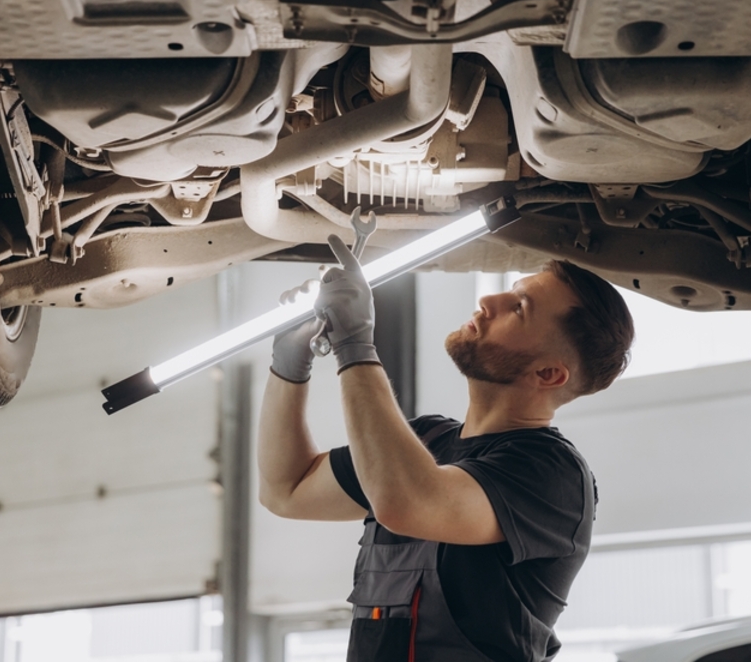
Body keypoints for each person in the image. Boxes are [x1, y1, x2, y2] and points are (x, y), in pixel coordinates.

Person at [258, 235, 635, 662]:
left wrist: (355, 346)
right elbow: (285, 489)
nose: (490, 300)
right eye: (509, 292)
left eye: (518, 308)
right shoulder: (425, 443)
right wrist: (289, 366)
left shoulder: (552, 474)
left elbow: (408, 503)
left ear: (548, 373)